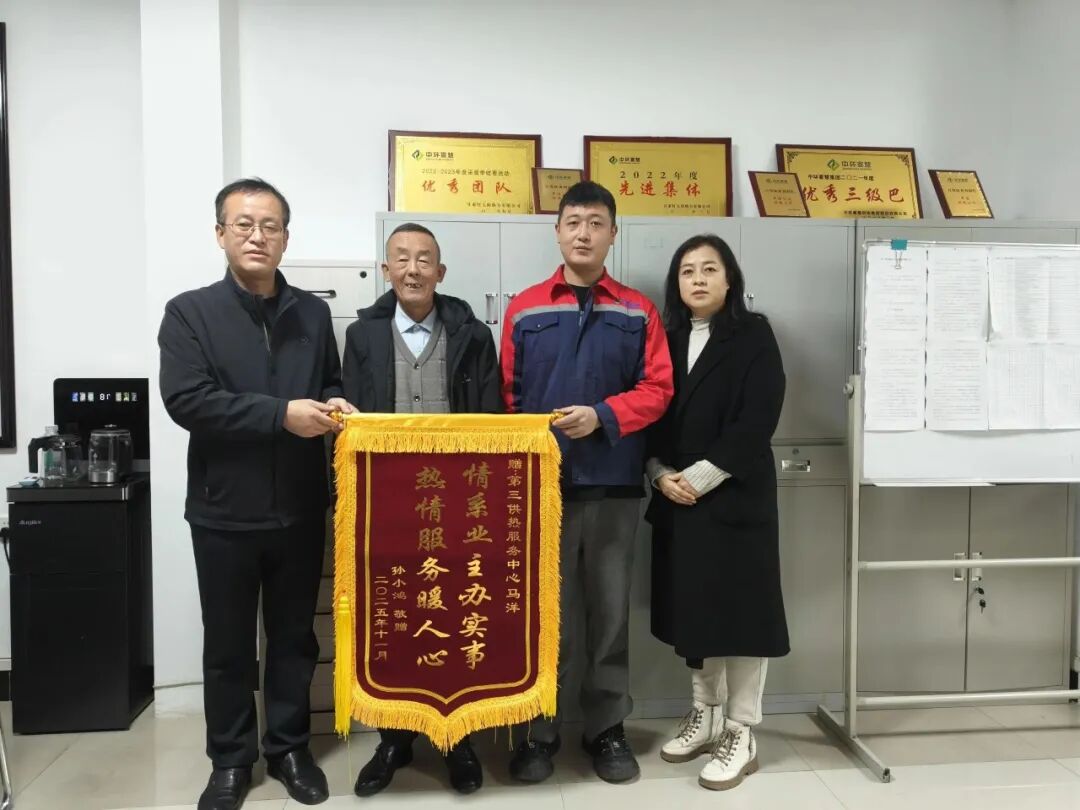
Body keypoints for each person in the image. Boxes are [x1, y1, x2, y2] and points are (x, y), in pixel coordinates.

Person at [159, 178, 353, 810]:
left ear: (285, 238)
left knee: (295, 638)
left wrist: (334, 403)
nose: (257, 236)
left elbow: (327, 380)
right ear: (220, 234)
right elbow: (188, 400)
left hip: (300, 507)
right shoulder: (189, 313)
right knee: (229, 643)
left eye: (270, 226)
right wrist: (280, 415)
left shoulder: (312, 313)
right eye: (243, 224)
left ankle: (290, 749)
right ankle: (231, 759)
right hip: (223, 512)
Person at [500, 181, 674, 784]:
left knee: (608, 616)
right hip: (542, 488)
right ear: (557, 231)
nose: (583, 233)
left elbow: (658, 390)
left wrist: (601, 416)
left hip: (614, 485)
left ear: (612, 234)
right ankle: (538, 729)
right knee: (546, 615)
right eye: (573, 221)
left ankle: (606, 728)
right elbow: (507, 396)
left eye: (595, 223)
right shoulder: (524, 308)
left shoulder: (637, 310)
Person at [343, 222, 501, 797]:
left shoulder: (472, 335)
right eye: (402, 259)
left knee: (458, 612)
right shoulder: (362, 335)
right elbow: (350, 418)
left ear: (441, 271)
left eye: (424, 259)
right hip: (387, 506)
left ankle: (459, 738)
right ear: (386, 270)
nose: (413, 269)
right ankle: (395, 737)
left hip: (458, 505)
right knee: (394, 616)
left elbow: (492, 420)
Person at [644, 234, 789, 792]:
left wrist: (701, 478)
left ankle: (741, 730)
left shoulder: (753, 334)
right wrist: (660, 473)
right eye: (688, 271)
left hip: (734, 495)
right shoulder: (667, 337)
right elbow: (651, 413)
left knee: (743, 618)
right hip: (677, 496)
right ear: (676, 283)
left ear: (730, 280)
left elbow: (758, 418)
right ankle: (704, 714)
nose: (698, 279)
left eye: (710, 269)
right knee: (695, 613)